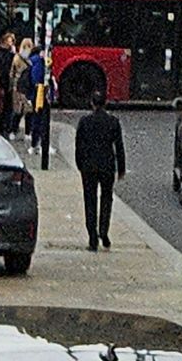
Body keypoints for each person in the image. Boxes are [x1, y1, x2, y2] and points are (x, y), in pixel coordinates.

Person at [75, 95, 127, 249]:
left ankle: (92, 236)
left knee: (90, 200)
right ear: (105, 104)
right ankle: (104, 231)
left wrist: (80, 164)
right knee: (106, 198)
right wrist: (121, 168)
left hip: (89, 166)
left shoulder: (84, 121)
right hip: (107, 165)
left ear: (92, 103)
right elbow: (119, 146)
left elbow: (79, 146)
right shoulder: (113, 122)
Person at [25, 45, 52, 170]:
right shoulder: (39, 63)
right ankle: (37, 144)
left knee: (38, 119)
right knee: (41, 120)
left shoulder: (34, 61)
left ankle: (35, 144)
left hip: (37, 94)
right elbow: (37, 79)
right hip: (39, 95)